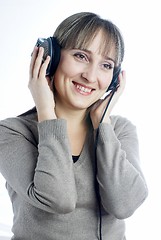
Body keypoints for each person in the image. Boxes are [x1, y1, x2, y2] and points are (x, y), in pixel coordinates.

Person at [0, 12, 148, 240]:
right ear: (52, 57)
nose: (90, 76)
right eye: (81, 56)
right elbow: (58, 198)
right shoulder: (12, 132)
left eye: (106, 65)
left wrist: (104, 127)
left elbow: (124, 204)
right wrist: (46, 113)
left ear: (115, 77)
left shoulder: (119, 130)